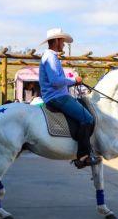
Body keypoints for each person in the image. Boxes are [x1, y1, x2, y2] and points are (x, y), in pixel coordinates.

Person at [39, 27, 101, 169]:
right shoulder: (51, 57)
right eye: (63, 41)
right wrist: (74, 81)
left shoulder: (49, 56)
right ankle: (83, 156)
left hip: (55, 96)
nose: (64, 45)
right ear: (57, 41)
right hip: (57, 97)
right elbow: (55, 80)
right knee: (88, 118)